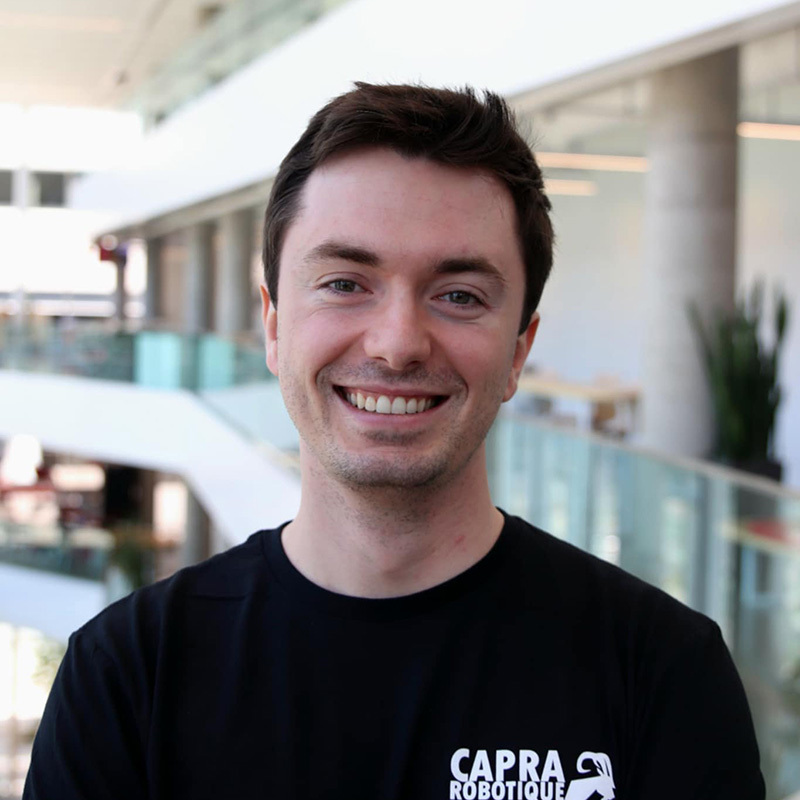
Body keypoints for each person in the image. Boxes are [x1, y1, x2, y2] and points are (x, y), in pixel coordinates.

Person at [24, 83, 764, 800]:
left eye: (460, 296)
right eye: (346, 283)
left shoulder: (659, 671)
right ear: (274, 325)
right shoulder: (128, 675)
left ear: (517, 352)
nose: (398, 344)